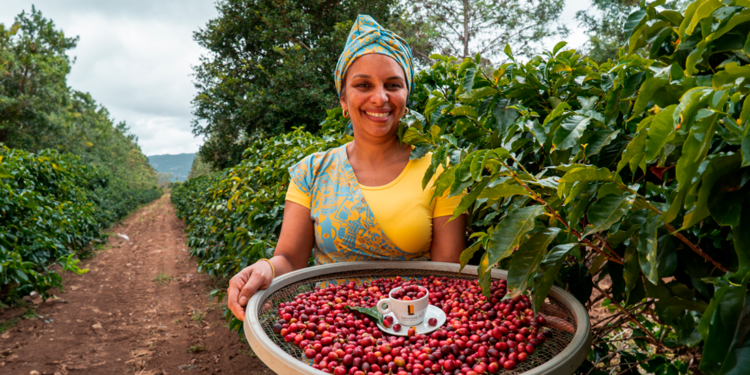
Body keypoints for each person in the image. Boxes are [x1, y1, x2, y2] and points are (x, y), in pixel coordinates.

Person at [227, 15, 467, 320]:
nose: (380, 98)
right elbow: (290, 258)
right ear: (343, 98)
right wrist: (266, 267)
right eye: (363, 84)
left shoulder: (441, 169)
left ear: (407, 96)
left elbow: (446, 278)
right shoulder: (311, 172)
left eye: (393, 85)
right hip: (334, 334)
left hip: (416, 331)